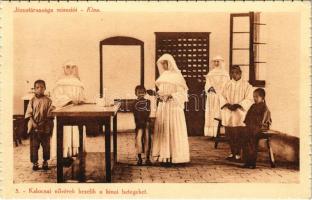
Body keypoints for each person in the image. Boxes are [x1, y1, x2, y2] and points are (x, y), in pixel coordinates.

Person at [152, 53, 190, 166]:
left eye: (165, 63)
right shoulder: (163, 76)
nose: (163, 65)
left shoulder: (177, 76)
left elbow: (183, 93)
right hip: (163, 107)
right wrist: (158, 94)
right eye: (162, 63)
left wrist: (170, 95)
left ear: (170, 63)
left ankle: (175, 156)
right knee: (164, 129)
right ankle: (164, 156)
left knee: (173, 129)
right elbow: (161, 91)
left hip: (173, 107)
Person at [51, 61, 86, 159]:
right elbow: (57, 96)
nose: (70, 70)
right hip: (64, 109)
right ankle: (64, 154)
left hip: (77, 110)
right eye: (67, 67)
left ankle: (76, 152)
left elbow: (82, 96)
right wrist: (70, 100)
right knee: (65, 131)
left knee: (76, 129)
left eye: (72, 67)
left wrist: (79, 99)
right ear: (63, 68)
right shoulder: (59, 83)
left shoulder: (78, 82)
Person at [220, 65, 253, 161]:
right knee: (230, 133)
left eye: (236, 73)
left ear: (240, 73)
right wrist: (227, 104)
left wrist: (238, 105)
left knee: (239, 134)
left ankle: (238, 153)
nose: (234, 75)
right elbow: (221, 96)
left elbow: (249, 99)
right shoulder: (227, 84)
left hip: (239, 112)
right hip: (229, 111)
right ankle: (232, 152)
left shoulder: (247, 85)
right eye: (232, 73)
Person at [25, 80, 54, 170]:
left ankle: (45, 161)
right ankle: (35, 163)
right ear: (34, 89)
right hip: (34, 127)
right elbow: (29, 114)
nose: (40, 89)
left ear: (45, 88)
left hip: (45, 126)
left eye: (42, 87)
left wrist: (43, 123)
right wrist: (33, 123)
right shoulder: (32, 100)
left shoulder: (48, 101)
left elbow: (50, 114)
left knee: (46, 146)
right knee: (34, 146)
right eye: (37, 87)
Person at [242, 88, 272, 169]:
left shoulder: (264, 108)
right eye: (253, 96)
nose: (254, 98)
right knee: (245, 138)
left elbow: (263, 121)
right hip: (252, 127)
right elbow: (247, 117)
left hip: (260, 128)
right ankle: (247, 161)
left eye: (256, 97)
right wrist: (248, 124)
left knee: (252, 140)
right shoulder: (253, 106)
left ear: (262, 98)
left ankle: (252, 162)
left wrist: (254, 125)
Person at [204, 56, 230, 137]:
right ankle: (212, 133)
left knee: (222, 113)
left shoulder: (225, 74)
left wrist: (221, 91)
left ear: (221, 62)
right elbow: (207, 85)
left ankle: (223, 132)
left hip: (222, 96)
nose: (216, 63)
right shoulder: (211, 74)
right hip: (213, 96)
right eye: (214, 61)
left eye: (218, 61)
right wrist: (211, 89)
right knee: (212, 113)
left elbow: (227, 85)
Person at [133, 85, 152, 166]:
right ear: (136, 94)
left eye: (143, 93)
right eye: (139, 93)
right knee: (139, 140)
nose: (141, 94)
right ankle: (139, 158)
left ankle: (147, 158)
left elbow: (148, 112)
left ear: (145, 93)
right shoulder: (134, 103)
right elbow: (135, 114)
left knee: (148, 140)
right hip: (139, 124)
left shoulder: (148, 102)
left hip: (146, 123)